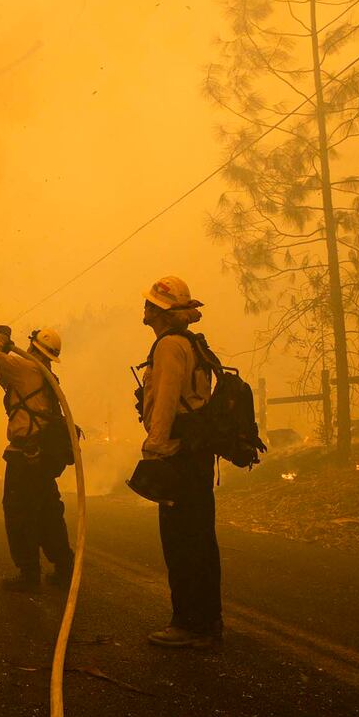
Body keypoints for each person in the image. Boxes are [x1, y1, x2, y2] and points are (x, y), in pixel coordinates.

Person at [137, 276, 221, 648]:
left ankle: (189, 625)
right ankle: (207, 623)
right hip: (195, 454)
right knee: (200, 540)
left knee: (182, 542)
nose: (145, 307)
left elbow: (167, 400)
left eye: (150, 303)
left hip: (177, 456)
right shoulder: (190, 343)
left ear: (161, 311)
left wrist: (155, 448)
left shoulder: (169, 346)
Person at [0, 324, 75, 593]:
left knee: (19, 513)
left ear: (33, 346)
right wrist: (5, 347)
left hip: (25, 456)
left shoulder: (27, 368)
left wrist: (2, 337)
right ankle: (64, 566)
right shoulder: (44, 373)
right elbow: (5, 377)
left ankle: (28, 572)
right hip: (42, 455)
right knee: (48, 512)